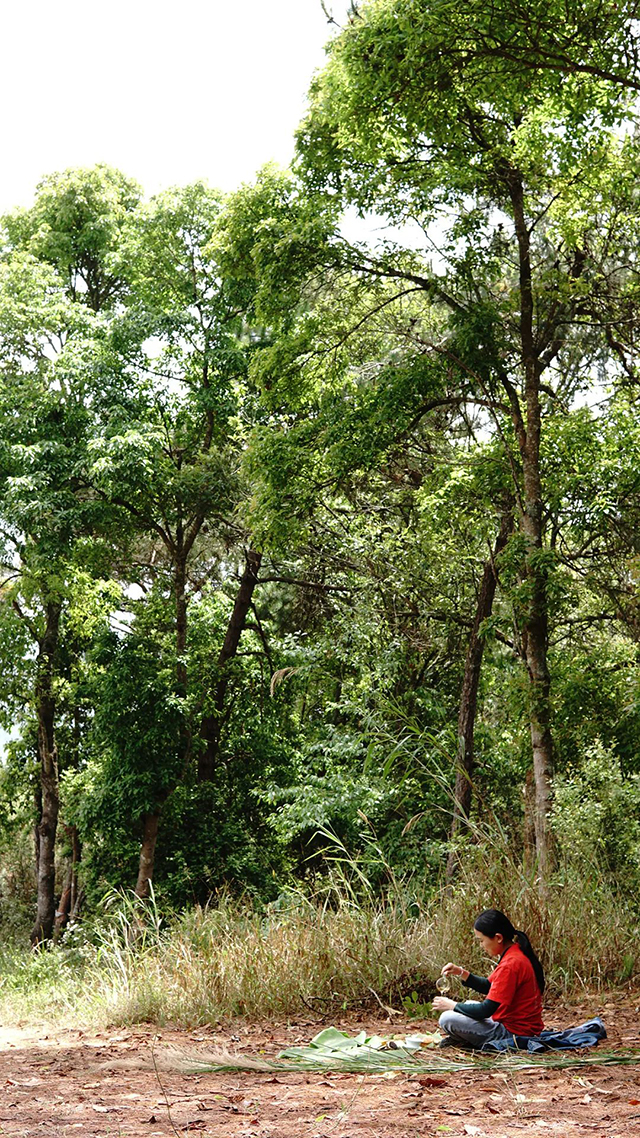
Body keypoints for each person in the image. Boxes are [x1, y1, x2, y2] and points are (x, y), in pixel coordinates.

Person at [432, 909, 545, 1049]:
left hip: (515, 1033)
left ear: (498, 937)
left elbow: (486, 1010)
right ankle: (465, 1039)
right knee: (468, 1004)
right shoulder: (515, 952)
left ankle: (469, 1040)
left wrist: (451, 1005)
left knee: (447, 1018)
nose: (481, 946)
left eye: (481, 941)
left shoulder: (510, 964)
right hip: (520, 1027)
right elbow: (488, 986)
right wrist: (460, 972)